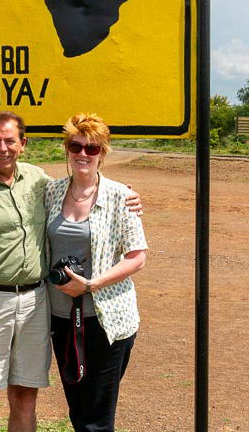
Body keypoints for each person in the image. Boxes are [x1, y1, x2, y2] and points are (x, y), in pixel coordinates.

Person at [0, 111, 141, 432]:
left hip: (37, 304)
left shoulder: (38, 182)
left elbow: (87, 189)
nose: (2, 148)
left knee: (25, 396)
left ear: (23, 143)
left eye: (10, 140)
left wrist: (122, 193)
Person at [45, 113, 147, 432]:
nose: (83, 154)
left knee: (97, 420)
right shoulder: (51, 192)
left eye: (92, 149)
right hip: (61, 320)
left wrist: (89, 284)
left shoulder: (120, 196)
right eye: (76, 146)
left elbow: (137, 257)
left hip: (106, 321)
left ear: (102, 153)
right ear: (67, 148)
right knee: (78, 411)